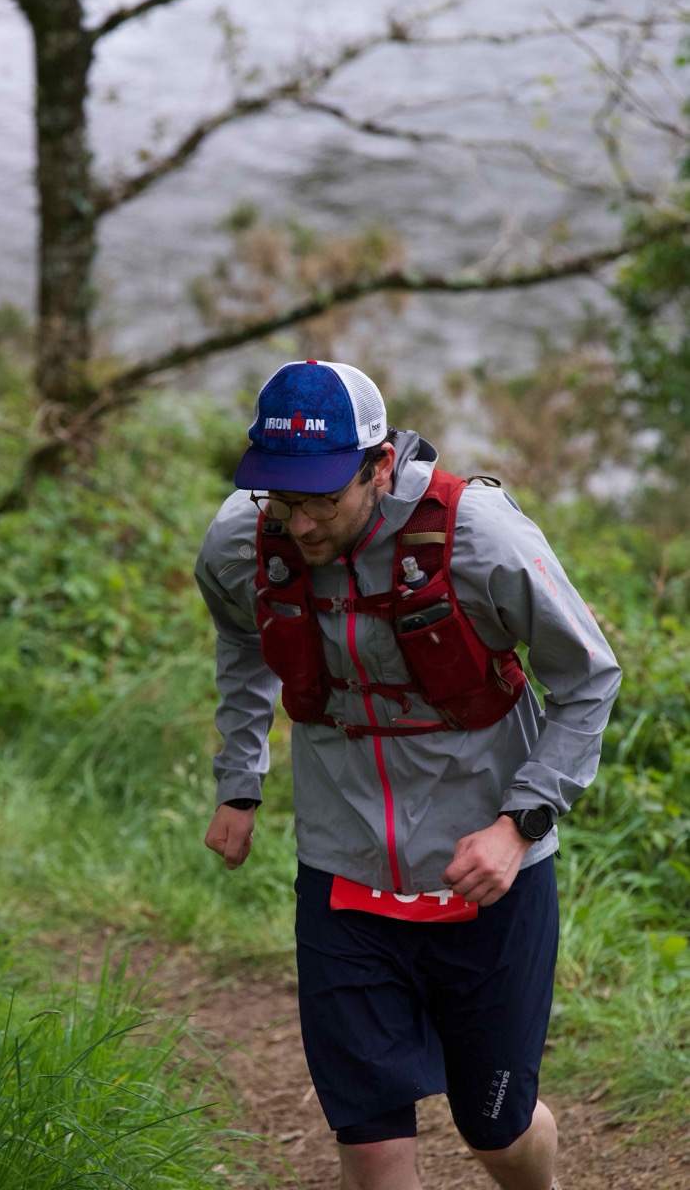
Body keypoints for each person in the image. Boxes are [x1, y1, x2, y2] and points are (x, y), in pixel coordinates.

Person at [195, 359, 621, 1190]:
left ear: (379, 466)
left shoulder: (478, 536)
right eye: (283, 498)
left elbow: (587, 678)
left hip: (486, 875)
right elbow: (242, 643)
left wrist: (518, 825)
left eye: (322, 499)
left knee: (495, 1130)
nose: (300, 524)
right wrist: (239, 780)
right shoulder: (242, 541)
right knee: (369, 1138)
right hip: (340, 871)